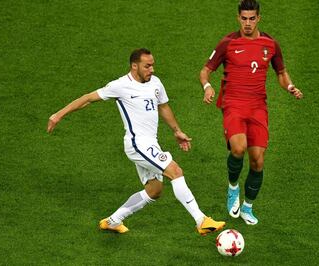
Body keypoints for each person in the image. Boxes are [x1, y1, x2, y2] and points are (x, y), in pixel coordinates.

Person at [47, 48, 225, 235]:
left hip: (151, 144)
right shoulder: (120, 85)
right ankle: (201, 220)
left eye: (153, 65)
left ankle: (113, 221)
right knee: (175, 171)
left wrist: (177, 131)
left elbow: (163, 107)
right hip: (137, 144)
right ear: (134, 66)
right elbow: (88, 99)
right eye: (147, 66)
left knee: (154, 190)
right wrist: (58, 115)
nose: (152, 70)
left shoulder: (155, 83)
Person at [199, 0, 303, 225]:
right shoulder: (228, 43)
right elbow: (205, 70)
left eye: (252, 18)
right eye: (244, 18)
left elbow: (281, 73)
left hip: (258, 107)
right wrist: (207, 87)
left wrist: (291, 87)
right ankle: (233, 188)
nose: (247, 23)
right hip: (233, 104)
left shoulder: (270, 44)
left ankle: (247, 207)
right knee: (239, 147)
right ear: (238, 17)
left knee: (257, 160)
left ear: (259, 18)